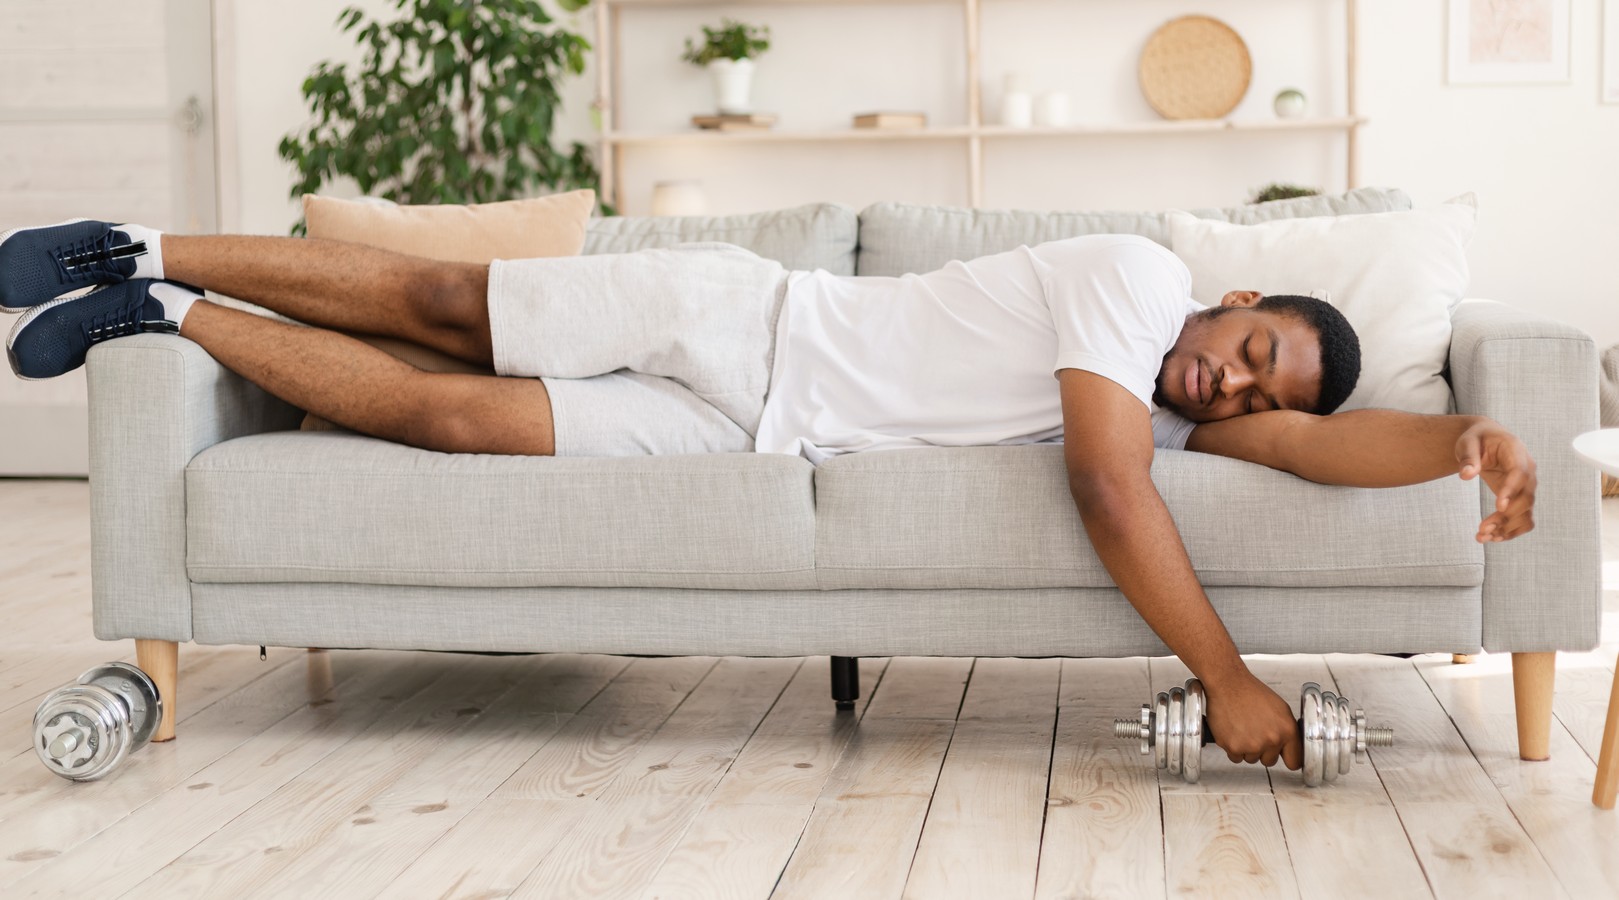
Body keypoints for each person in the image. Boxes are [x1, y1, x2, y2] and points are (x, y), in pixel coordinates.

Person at [1, 218, 1538, 772]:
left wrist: (1470, 436)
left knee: (451, 417)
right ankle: (141, 242)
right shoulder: (1137, 282)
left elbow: (1320, 452)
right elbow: (1103, 486)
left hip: (739, 438)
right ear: (1236, 299)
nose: (1235, 386)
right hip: (743, 321)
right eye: (1252, 353)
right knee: (446, 302)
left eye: (1259, 394)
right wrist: (1229, 680)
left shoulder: (1182, 420)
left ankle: (164, 315)